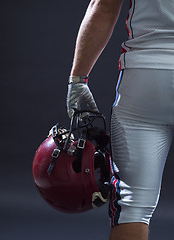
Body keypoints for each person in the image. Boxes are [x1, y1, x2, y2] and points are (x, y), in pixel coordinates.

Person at [66, 0, 174, 239]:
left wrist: (78, 80)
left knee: (132, 205)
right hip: (144, 74)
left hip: (145, 76)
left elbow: (103, 6)